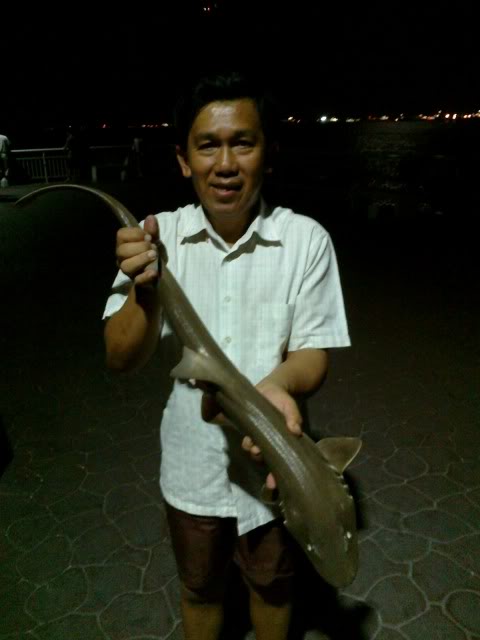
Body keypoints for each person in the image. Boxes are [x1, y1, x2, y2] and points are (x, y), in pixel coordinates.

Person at [103, 72, 350, 640]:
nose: (225, 164)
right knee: (200, 589)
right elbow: (119, 357)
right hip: (191, 466)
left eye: (243, 142)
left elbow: (313, 352)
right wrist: (144, 291)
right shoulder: (155, 238)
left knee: (273, 587)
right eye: (207, 145)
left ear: (270, 153)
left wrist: (278, 386)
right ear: (183, 160)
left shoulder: (306, 240)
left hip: (276, 468)